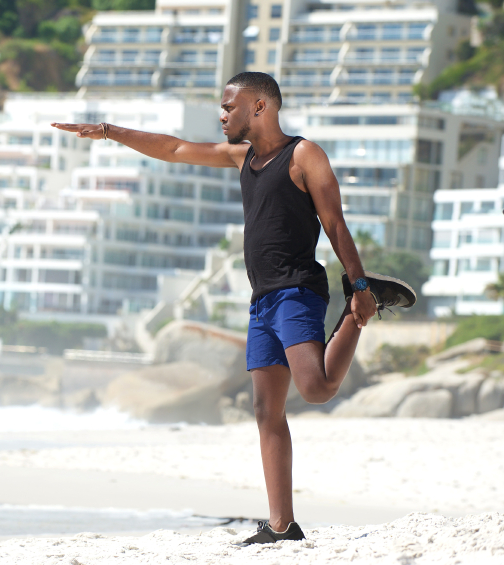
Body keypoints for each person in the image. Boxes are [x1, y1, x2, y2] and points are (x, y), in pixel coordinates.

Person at [51, 72, 416, 545]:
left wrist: (359, 284)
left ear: (260, 106)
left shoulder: (304, 155)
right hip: (261, 300)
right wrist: (107, 131)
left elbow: (335, 224)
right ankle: (282, 526)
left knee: (317, 388)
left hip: (296, 290)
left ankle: (361, 309)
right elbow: (174, 148)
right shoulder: (243, 157)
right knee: (265, 411)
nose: (221, 115)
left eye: (229, 107)